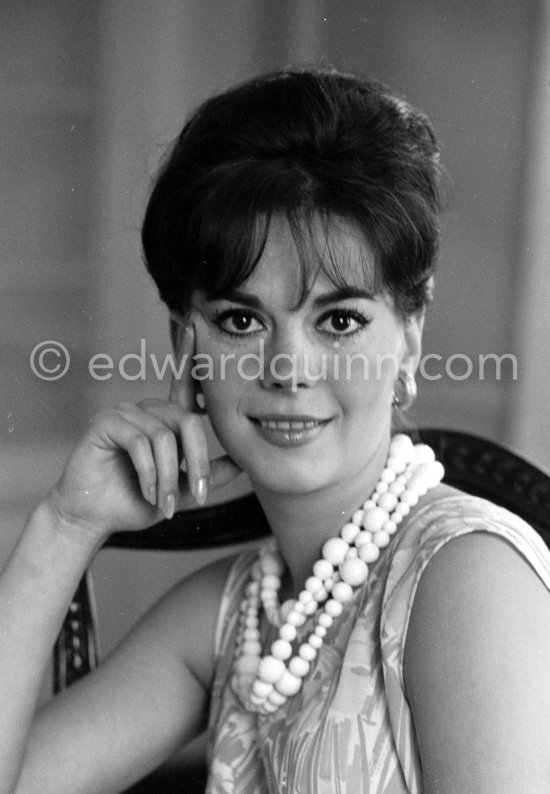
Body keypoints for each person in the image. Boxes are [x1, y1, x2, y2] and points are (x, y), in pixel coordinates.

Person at [2, 68, 550, 794]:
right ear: (186, 351)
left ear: (409, 343)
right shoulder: (236, 616)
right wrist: (64, 524)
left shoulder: (467, 580)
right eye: (241, 321)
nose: (288, 368)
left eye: (340, 320)